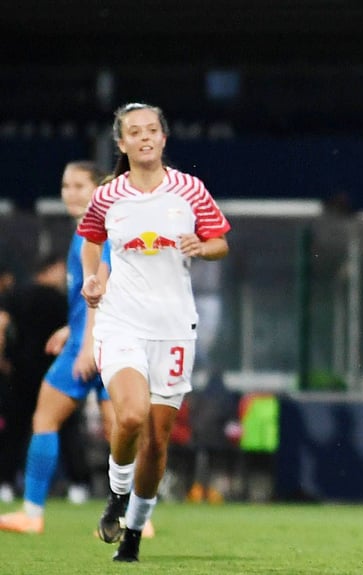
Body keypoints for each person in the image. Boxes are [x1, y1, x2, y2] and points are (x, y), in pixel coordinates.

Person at [78, 102, 231, 562]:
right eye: (134, 132)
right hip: (122, 322)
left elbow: (221, 242)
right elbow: (91, 241)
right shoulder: (108, 195)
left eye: (151, 130)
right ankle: (116, 495)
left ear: (163, 138)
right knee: (129, 417)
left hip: (174, 328)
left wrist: (203, 247)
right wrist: (93, 278)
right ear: (121, 143)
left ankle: (133, 534)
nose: (144, 137)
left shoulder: (190, 189)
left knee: (157, 440)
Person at [0, 162, 118, 534]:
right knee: (118, 431)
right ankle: (133, 519)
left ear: (98, 188)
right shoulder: (94, 231)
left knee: (46, 419)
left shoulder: (94, 234)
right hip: (106, 339)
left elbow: (101, 290)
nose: (70, 193)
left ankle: (33, 513)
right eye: (66, 186)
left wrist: (87, 343)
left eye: (80, 185)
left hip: (94, 344)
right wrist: (72, 327)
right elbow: (100, 293)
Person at [0, 255, 68, 505]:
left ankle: (6, 483)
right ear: (51, 269)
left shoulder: (16, 294)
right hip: (53, 371)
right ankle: (77, 485)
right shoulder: (60, 299)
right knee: (62, 429)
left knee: (15, 431)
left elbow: (2, 324)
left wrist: (3, 359)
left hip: (19, 372)